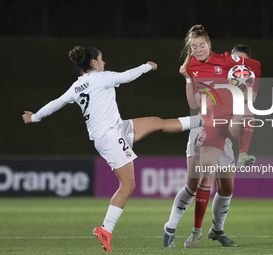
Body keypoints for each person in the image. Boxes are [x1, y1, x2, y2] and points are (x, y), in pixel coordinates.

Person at [22, 46, 208, 252]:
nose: (104, 63)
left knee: (157, 122)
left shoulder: (77, 86)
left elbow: (56, 103)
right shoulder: (100, 78)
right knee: (128, 185)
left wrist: (35, 116)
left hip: (116, 129)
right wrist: (146, 66)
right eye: (101, 59)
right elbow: (126, 77)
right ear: (93, 63)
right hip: (110, 136)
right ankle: (106, 229)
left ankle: (202, 120)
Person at [163, 43, 256, 248]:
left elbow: (238, 125)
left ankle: (217, 230)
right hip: (203, 128)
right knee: (194, 184)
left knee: (227, 187)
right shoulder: (214, 74)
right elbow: (195, 101)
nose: (236, 66)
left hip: (222, 135)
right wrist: (189, 78)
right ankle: (170, 228)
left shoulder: (246, 85)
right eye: (233, 61)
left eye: (241, 62)